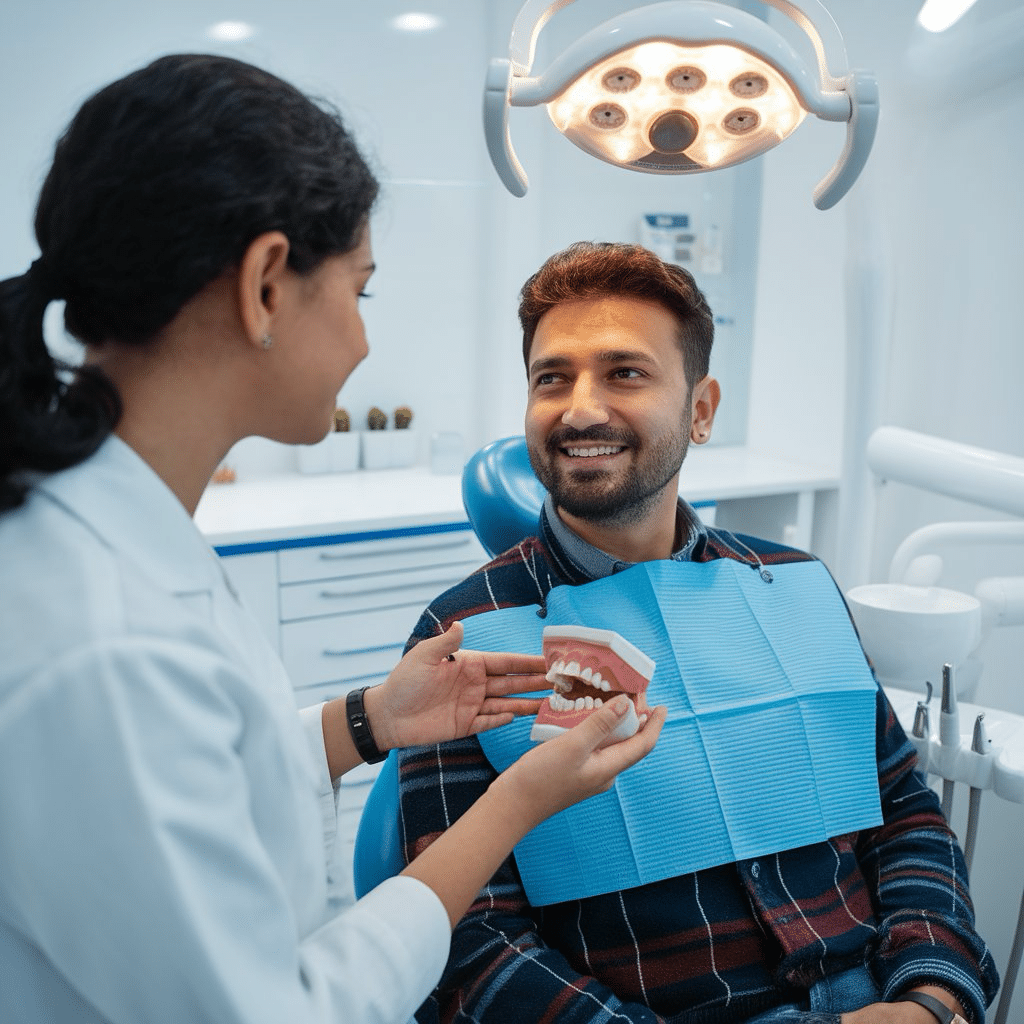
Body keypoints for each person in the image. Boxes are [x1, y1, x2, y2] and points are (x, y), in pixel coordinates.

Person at [0, 58, 668, 1024]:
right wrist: (518, 803)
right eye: (361, 291)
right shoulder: (105, 638)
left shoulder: (115, 536)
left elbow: (172, 778)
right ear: (266, 285)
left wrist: (367, 721)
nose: (361, 342)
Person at [396, 241, 1000, 1024]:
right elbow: (468, 940)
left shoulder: (796, 587)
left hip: (880, 995)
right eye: (552, 378)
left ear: (701, 410)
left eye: (625, 372)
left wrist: (932, 993)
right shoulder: (470, 634)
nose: (580, 408)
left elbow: (903, 815)